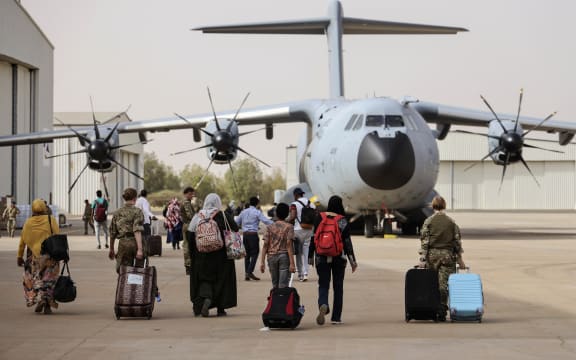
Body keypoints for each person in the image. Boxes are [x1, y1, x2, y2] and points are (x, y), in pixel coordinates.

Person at [188, 193, 238, 317]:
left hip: (202, 255)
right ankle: (221, 308)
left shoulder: (197, 216)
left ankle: (206, 298)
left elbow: (190, 235)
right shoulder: (223, 215)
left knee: (204, 279)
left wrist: (193, 254)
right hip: (221, 255)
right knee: (222, 279)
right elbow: (235, 228)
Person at [310, 195, 358, 325]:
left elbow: (313, 237)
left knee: (323, 284)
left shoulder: (319, 217)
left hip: (321, 257)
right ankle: (336, 318)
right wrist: (353, 261)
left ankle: (323, 304)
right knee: (338, 287)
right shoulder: (342, 220)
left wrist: (310, 256)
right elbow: (347, 243)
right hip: (339, 258)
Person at [418, 195, 466, 322]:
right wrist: (460, 259)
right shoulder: (451, 222)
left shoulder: (428, 221)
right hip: (447, 256)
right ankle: (442, 310)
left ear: (433, 206)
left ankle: (432, 308)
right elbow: (456, 242)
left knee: (432, 284)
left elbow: (425, 241)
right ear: (444, 206)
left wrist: (422, 259)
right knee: (443, 285)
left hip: (432, 256)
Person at [16, 199, 61, 314]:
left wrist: (19, 256)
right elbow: (57, 235)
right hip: (50, 256)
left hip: (34, 258)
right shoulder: (51, 220)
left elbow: (22, 241)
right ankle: (46, 304)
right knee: (49, 280)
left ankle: (38, 299)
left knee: (34, 279)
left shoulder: (28, 223)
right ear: (44, 208)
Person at [235, 196, 273, 281]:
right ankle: (249, 271)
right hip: (253, 235)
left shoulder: (243, 212)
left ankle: (247, 274)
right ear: (257, 203)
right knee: (255, 253)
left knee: (247, 254)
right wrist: (276, 223)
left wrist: (242, 226)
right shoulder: (257, 212)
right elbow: (266, 221)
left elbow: (236, 222)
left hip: (245, 235)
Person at [108, 188, 145, 273]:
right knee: (139, 272)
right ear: (135, 198)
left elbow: (112, 232)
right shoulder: (137, 211)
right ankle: (136, 286)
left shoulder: (117, 212)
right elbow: (137, 230)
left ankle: (125, 286)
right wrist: (140, 249)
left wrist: (111, 249)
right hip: (135, 243)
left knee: (123, 272)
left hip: (123, 244)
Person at [259, 203, 295, 288]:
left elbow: (265, 245)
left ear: (276, 213)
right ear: (287, 214)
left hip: (271, 257)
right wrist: (292, 263)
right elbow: (289, 245)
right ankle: (282, 300)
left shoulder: (269, 227)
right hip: (284, 257)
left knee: (275, 284)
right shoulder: (289, 227)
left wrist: (262, 262)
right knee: (283, 285)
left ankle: (274, 300)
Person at [287, 187, 316, 281]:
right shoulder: (311, 203)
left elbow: (292, 216)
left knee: (299, 253)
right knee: (306, 252)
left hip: (298, 230)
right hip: (309, 229)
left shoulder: (294, 204)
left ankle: (300, 275)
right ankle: (306, 273)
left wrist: (285, 221)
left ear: (295, 195)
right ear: (302, 194)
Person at [180, 187, 197, 275]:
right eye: (190, 194)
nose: (192, 196)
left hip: (188, 225)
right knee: (187, 246)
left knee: (189, 245)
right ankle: (188, 266)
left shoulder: (187, 202)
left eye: (192, 194)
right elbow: (191, 215)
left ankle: (189, 266)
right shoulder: (186, 203)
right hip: (188, 226)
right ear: (186, 194)